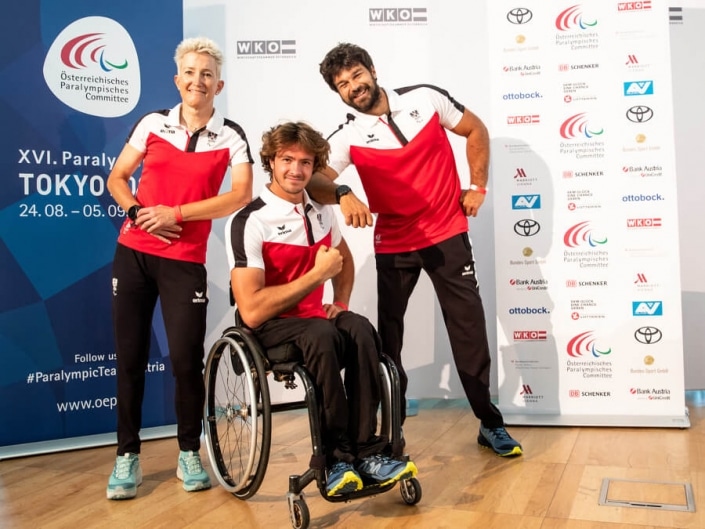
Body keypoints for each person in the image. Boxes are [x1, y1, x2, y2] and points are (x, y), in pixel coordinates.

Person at [307, 43, 522, 457]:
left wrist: (477, 186)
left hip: (447, 234)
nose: (354, 87)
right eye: (343, 85)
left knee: (469, 332)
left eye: (357, 76)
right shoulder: (348, 135)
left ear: (372, 69)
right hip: (396, 244)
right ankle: (392, 428)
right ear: (337, 93)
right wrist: (344, 191)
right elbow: (317, 180)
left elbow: (475, 129)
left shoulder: (426, 98)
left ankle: (489, 423)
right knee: (389, 340)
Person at [226, 121, 418, 497]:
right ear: (270, 161)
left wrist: (341, 302)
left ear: (315, 168)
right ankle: (335, 459)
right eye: (286, 160)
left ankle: (367, 452)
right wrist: (317, 277)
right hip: (270, 327)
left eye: (305, 162)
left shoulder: (321, 213)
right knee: (322, 333)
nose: (296, 170)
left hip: (315, 321)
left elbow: (341, 262)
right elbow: (251, 311)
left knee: (360, 328)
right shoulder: (251, 220)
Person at [105, 36, 254, 500]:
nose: (197, 80)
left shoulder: (232, 134)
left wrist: (177, 214)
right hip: (133, 255)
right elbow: (117, 177)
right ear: (178, 79)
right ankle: (126, 457)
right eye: (190, 72)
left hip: (184, 263)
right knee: (129, 361)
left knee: (187, 362)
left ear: (219, 83)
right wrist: (135, 213)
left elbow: (240, 195)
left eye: (207, 74)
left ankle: (189, 451)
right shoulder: (152, 122)